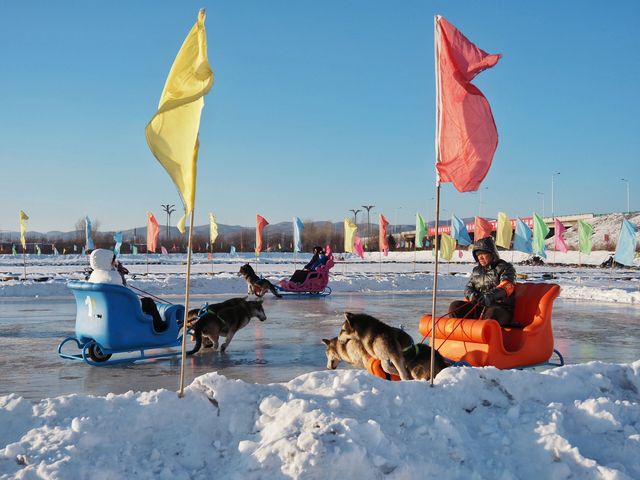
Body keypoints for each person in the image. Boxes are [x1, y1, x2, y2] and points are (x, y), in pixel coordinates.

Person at [87, 249, 166, 332]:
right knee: (148, 302)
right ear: (106, 261)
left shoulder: (93, 275)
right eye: (112, 260)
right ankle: (159, 327)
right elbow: (124, 295)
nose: (114, 263)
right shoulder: (112, 276)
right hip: (119, 310)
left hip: (102, 311)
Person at [448, 236, 516, 326]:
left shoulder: (505, 267)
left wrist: (489, 297)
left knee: (492, 313)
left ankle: (485, 337)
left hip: (501, 308)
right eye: (478, 255)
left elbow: (507, 286)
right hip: (480, 307)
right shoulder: (476, 270)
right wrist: (472, 295)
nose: (480, 257)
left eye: (483, 253)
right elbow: (468, 287)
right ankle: (459, 336)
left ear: (492, 254)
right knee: (455, 306)